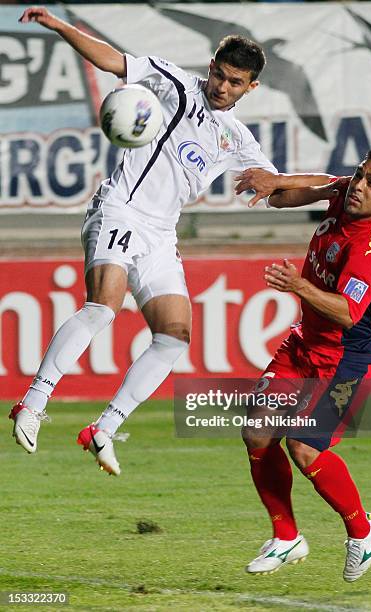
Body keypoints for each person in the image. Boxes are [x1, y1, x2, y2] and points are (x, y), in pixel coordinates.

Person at [10, 6, 289, 476]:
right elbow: (113, 61)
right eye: (219, 74)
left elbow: (278, 190)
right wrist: (60, 26)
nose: (222, 87)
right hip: (121, 207)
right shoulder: (175, 83)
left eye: (235, 82)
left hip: (160, 233)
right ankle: (33, 402)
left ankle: (104, 427)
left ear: (251, 87)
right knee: (103, 306)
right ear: (210, 66)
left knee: (174, 335)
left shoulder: (236, 138)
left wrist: (334, 187)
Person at [235, 149, 371, 582]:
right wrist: (276, 185)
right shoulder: (344, 193)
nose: (359, 186)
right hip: (305, 342)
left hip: (343, 357)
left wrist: (298, 285)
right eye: (360, 176)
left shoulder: (370, 246)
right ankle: (286, 537)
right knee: (256, 430)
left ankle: (361, 530)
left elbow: (348, 312)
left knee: (305, 448)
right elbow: (318, 184)